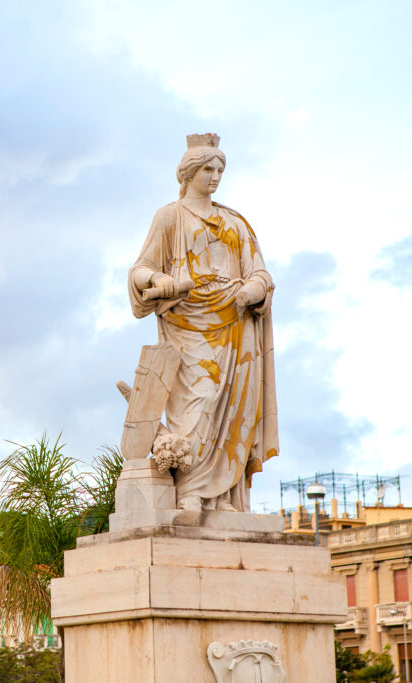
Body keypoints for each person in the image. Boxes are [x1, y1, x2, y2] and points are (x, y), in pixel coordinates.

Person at [127, 133, 278, 512]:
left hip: (234, 323)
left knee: (233, 410)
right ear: (189, 173)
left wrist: (254, 290)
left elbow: (260, 272)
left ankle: (223, 495)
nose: (215, 176)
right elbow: (141, 268)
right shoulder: (170, 216)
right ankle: (190, 489)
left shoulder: (235, 221)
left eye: (220, 169)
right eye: (208, 169)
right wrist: (157, 281)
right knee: (199, 401)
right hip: (188, 319)